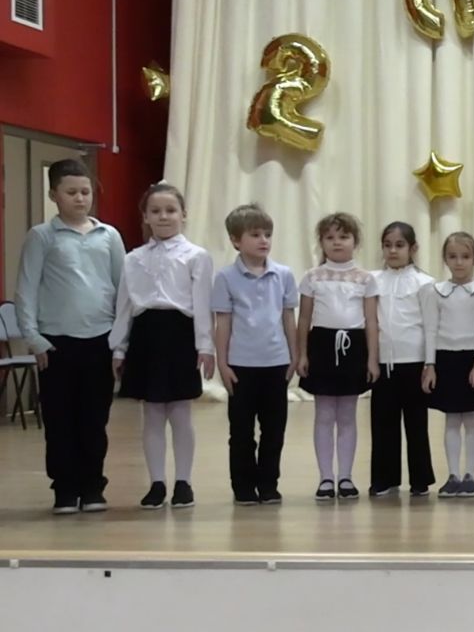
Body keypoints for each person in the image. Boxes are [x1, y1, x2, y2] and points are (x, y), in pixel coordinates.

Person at [15, 159, 125, 515]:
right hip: (56, 343)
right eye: (71, 192)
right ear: (54, 195)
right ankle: (64, 488)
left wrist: (120, 339)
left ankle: (92, 486)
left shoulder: (109, 236)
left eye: (85, 191)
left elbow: (123, 289)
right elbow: (26, 289)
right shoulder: (42, 236)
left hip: (100, 339)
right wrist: (34, 338)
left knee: (94, 419)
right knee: (60, 419)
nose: (80, 198)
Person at [111, 184, 215, 510]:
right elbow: (125, 305)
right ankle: (156, 482)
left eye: (171, 210)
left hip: (180, 334)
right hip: (146, 335)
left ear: (183, 214)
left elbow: (202, 305)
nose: (164, 216)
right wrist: (119, 347)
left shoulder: (196, 256)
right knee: (152, 413)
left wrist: (205, 346)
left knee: (181, 412)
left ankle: (183, 481)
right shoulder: (133, 259)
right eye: (155, 211)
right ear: (145, 217)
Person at [211, 204, 298, 506]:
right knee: (241, 431)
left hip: (276, 363)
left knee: (274, 430)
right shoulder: (225, 277)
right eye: (255, 234)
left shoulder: (283, 275)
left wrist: (294, 355)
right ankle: (244, 486)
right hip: (241, 366)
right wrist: (222, 363)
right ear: (236, 240)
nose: (264, 240)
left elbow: (288, 317)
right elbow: (223, 323)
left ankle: (269, 484)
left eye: (268, 234)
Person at [296, 212, 379, 502]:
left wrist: (372, 359)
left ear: (355, 241)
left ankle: (345, 476)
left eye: (343, 236)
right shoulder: (312, 276)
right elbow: (304, 319)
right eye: (330, 237)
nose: (337, 242)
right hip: (321, 345)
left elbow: (371, 321)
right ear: (321, 242)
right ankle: (325, 477)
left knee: (347, 415)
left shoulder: (365, 278)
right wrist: (302, 353)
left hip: (353, 347)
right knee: (323, 414)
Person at [421, 232, 474, 498]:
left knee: (471, 418)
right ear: (445, 259)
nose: (459, 262)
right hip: (445, 359)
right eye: (453, 256)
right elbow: (431, 329)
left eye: (465, 256)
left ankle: (470, 474)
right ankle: (452, 474)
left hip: (471, 359)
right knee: (451, 419)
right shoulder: (436, 291)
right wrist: (430, 365)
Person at [370, 221, 436, 497]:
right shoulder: (373, 280)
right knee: (382, 423)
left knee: (416, 423)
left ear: (413, 248)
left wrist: (430, 364)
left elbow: (431, 326)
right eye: (387, 245)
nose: (393, 251)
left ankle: (420, 479)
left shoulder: (425, 283)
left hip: (414, 362)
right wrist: (372, 359)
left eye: (399, 245)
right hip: (384, 362)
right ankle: (384, 478)